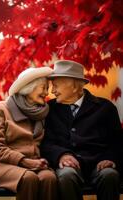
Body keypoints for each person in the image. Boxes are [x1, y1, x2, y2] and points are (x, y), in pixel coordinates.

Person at [40, 60, 122, 200]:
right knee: (66, 175)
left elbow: (117, 141)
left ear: (73, 86)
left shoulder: (105, 108)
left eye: (56, 86)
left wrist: (110, 159)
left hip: (99, 164)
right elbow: (45, 142)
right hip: (68, 168)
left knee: (110, 175)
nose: (52, 91)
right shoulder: (49, 109)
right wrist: (61, 155)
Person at [0, 67, 58, 200]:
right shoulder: (2, 109)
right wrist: (24, 161)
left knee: (49, 178)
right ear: (28, 88)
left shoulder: (42, 112)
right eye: (43, 87)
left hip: (36, 164)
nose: (46, 93)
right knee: (29, 178)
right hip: (6, 166)